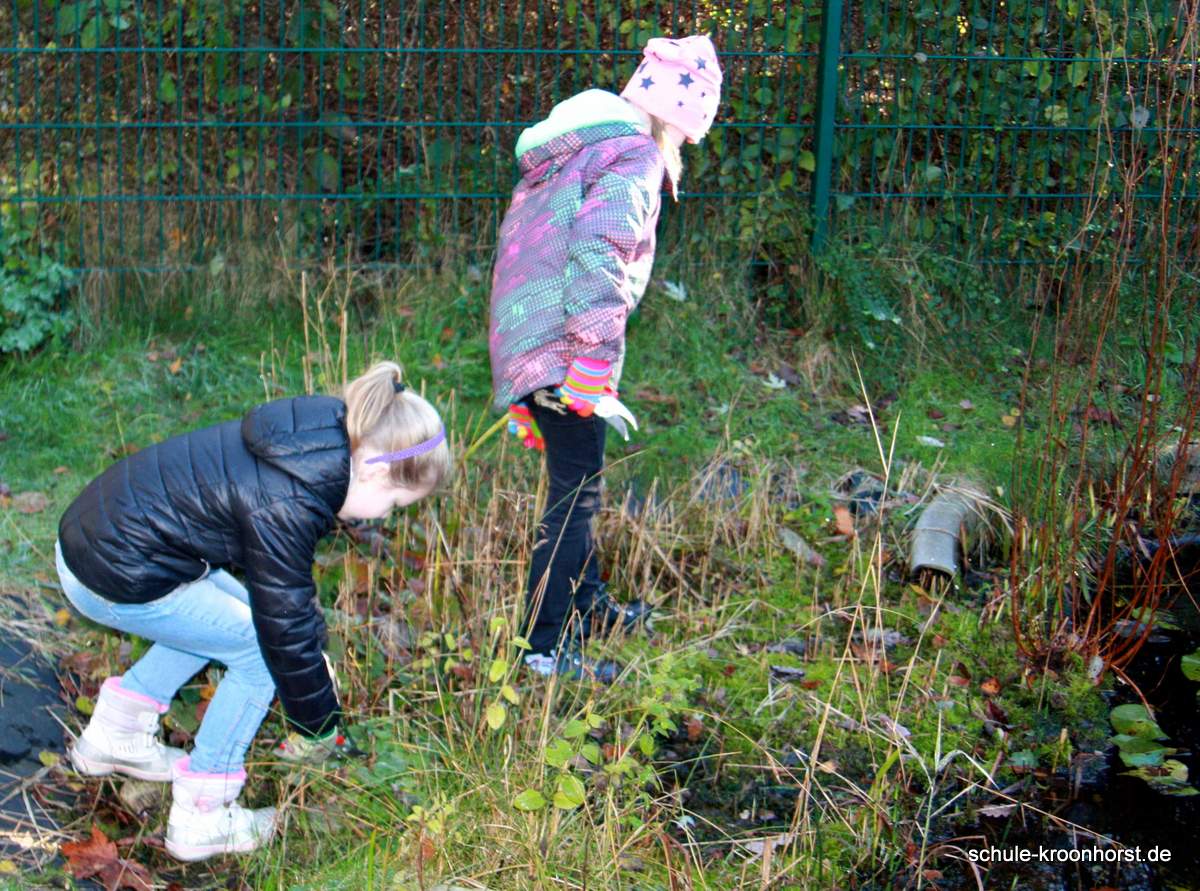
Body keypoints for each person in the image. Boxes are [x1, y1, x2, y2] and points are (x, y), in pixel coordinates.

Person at [55, 361, 449, 861]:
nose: (387, 515)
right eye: (394, 503)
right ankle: (203, 813)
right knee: (259, 650)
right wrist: (320, 724)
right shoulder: (291, 498)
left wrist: (310, 659)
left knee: (231, 615)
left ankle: (118, 732)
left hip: (103, 547)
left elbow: (284, 601)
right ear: (373, 469)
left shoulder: (312, 442)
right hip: (110, 574)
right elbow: (279, 630)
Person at [488, 35, 722, 681]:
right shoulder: (633, 155)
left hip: (532, 333)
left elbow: (526, 253)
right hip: (569, 344)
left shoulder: (576, 148)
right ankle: (540, 648)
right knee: (575, 497)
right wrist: (589, 363)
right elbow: (599, 255)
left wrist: (525, 374)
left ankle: (588, 604)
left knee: (579, 481)